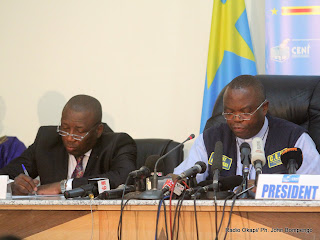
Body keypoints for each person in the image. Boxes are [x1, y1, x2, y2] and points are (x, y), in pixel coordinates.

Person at [173, 75, 320, 183]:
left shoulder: (294, 139)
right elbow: (182, 179)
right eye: (229, 112)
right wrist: (176, 181)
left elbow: (314, 186)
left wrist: (266, 188)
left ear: (264, 108)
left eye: (245, 112)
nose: (237, 118)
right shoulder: (210, 139)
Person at [0, 95, 137, 195]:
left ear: (98, 130)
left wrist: (64, 186)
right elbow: (5, 175)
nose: (69, 138)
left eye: (79, 131)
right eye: (64, 128)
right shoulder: (46, 140)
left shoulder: (116, 144)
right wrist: (12, 185)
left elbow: (125, 177)